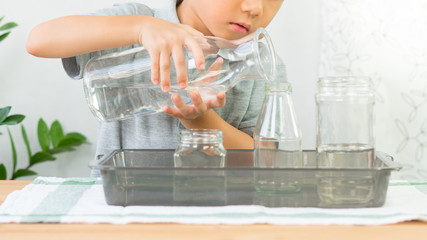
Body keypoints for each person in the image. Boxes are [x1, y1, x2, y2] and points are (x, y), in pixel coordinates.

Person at [26, 0, 286, 172]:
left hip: (215, 208)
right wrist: (141, 28)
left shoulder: (259, 64)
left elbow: (265, 160)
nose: (255, 8)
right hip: (122, 203)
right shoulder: (138, 23)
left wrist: (199, 119)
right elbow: (39, 40)